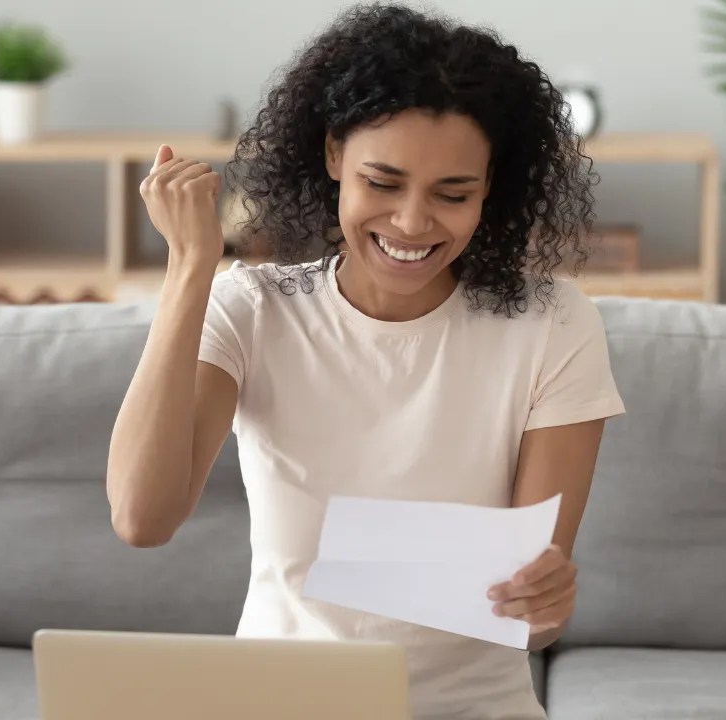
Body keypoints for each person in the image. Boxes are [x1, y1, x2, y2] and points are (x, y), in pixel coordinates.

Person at [106, 4, 625, 718]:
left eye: (454, 194)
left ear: (491, 188)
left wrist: (545, 597)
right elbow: (142, 517)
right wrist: (191, 267)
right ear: (332, 157)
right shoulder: (254, 309)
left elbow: (531, 617)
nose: (413, 222)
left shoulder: (551, 324)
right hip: (280, 704)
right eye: (383, 183)